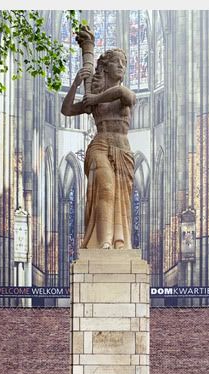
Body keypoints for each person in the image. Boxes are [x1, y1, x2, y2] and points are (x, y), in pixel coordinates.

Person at [61, 28, 136, 250]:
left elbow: (125, 95)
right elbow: (66, 110)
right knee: (105, 188)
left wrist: (94, 98)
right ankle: (104, 242)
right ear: (104, 67)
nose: (121, 66)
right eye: (116, 62)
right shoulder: (93, 99)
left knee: (120, 198)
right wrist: (76, 83)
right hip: (100, 144)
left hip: (122, 148)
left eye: (124, 62)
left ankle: (119, 241)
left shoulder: (121, 94)